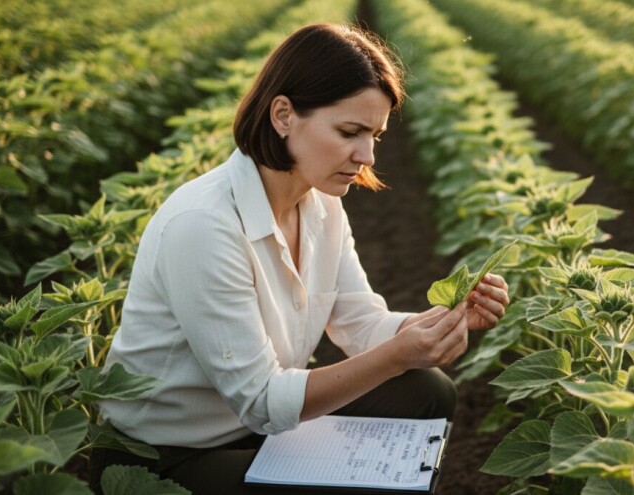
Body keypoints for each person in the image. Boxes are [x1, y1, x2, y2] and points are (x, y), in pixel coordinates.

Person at [88, 23, 510, 494]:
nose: (366, 155)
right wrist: (396, 356)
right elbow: (263, 400)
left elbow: (362, 324)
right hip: (165, 457)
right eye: (349, 131)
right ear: (284, 115)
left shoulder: (322, 205)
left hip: (254, 428)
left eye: (375, 135)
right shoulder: (203, 224)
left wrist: (438, 324)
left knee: (426, 390)